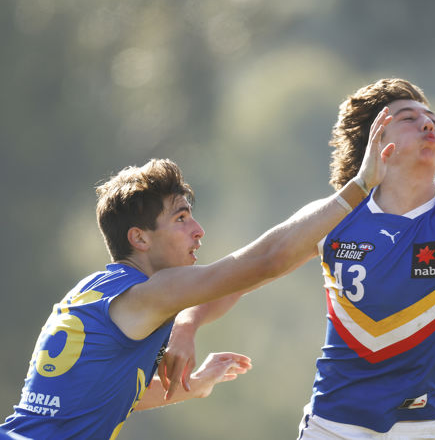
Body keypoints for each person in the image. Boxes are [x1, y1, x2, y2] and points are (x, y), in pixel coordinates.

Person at [163, 1, 435, 439]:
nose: (427, 125)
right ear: (376, 140)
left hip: (418, 430)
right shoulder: (336, 217)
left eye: (432, 120)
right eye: (409, 119)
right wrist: (186, 323)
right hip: (330, 429)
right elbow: (250, 269)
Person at [1, 114, 395, 439]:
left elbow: (110, 394)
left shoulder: (94, 290)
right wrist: (360, 186)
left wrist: (198, 383)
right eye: (181, 218)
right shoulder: (150, 293)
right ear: (139, 238)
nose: (198, 230)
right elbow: (264, 261)